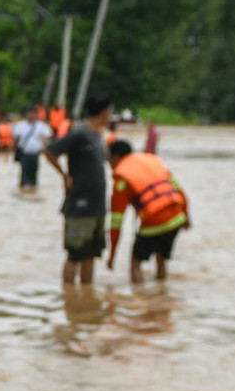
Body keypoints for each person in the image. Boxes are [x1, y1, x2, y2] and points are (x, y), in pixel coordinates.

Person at [45, 90, 112, 285]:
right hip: (79, 205)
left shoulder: (98, 135)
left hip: (97, 206)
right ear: (103, 112)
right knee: (75, 255)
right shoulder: (79, 133)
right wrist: (64, 175)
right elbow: (50, 151)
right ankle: (68, 297)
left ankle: (85, 299)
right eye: (109, 111)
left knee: (91, 254)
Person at [106, 139, 189, 283]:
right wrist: (186, 216)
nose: (108, 163)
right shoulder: (152, 161)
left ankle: (140, 299)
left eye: (108, 158)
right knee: (161, 259)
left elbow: (116, 222)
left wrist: (112, 255)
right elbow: (179, 190)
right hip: (176, 216)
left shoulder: (121, 180)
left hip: (154, 221)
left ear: (116, 158)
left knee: (135, 263)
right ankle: (161, 295)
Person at [13, 106, 53, 190]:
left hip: (35, 153)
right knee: (24, 171)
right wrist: (12, 151)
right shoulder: (21, 125)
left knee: (34, 172)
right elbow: (15, 138)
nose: (31, 115)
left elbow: (48, 135)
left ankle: (33, 188)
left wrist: (44, 146)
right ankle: (23, 187)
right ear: (26, 114)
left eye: (33, 114)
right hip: (24, 153)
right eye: (29, 113)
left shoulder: (41, 126)